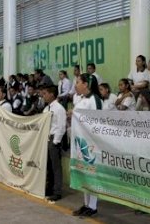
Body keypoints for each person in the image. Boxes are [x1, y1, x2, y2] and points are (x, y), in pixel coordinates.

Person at [72, 73, 102, 217]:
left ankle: (93, 206)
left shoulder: (94, 99)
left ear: (86, 84)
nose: (76, 85)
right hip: (80, 141)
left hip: (91, 143)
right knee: (83, 173)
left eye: (78, 82)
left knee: (91, 174)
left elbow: (96, 121)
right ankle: (86, 204)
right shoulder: (82, 99)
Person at [41, 86, 66, 202]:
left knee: (56, 167)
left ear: (52, 94)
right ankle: (49, 187)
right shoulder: (46, 109)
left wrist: (56, 141)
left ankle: (57, 191)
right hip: (46, 138)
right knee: (48, 166)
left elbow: (61, 126)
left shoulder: (59, 108)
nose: (43, 96)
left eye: (45, 93)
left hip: (53, 139)